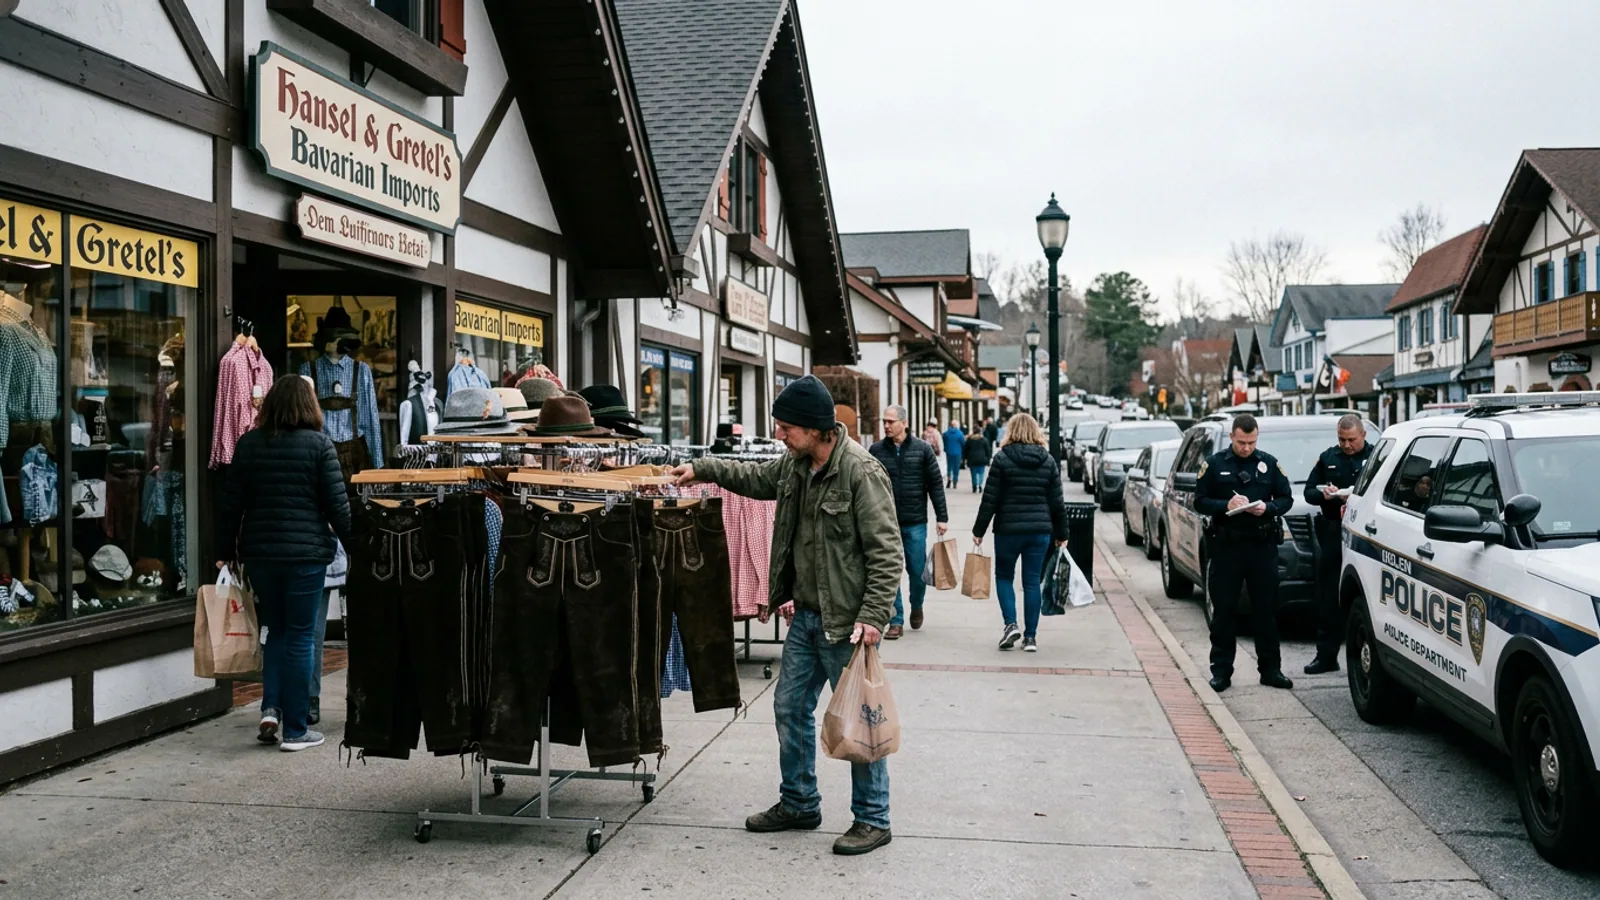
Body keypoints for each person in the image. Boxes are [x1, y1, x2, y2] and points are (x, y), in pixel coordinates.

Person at [670, 375, 901, 856]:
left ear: (817, 428)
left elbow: (886, 552)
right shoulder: (795, 466)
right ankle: (799, 802)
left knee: (860, 720)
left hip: (848, 624)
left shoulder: (861, 471)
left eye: (786, 427)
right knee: (789, 708)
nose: (779, 434)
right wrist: (703, 469)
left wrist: (875, 616)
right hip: (807, 619)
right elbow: (753, 480)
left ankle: (874, 819)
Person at [217, 375, 354, 752]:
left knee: (274, 633)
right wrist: (358, 548)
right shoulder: (319, 445)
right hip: (306, 556)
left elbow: (231, 504)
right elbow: (338, 508)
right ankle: (296, 729)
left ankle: (270, 709)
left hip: (260, 554)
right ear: (309, 405)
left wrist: (223, 550)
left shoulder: (249, 444)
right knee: (300, 637)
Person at [1194, 414, 1295, 693]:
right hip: (1228, 546)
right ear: (1232, 437)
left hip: (1261, 547)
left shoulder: (1269, 463)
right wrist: (1225, 503)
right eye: (1241, 442)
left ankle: (1271, 670)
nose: (1246, 448)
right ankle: (1222, 671)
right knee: (1224, 611)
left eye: (1251, 442)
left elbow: (1286, 498)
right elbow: (1199, 501)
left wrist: (1269, 509)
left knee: (1265, 610)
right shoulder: (1214, 465)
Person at [971, 414, 1067, 652]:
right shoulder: (1048, 461)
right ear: (1036, 432)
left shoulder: (1002, 459)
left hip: (1008, 530)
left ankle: (1010, 624)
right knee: (1032, 581)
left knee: (1004, 577)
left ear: (1010, 431)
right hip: (1039, 531)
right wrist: (1062, 532)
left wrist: (979, 529)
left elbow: (990, 499)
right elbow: (1057, 502)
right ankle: (1031, 638)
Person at [869, 404, 948, 639]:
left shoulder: (923, 450)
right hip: (886, 521)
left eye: (890, 421)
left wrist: (942, 517)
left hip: (915, 521)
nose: (886, 425)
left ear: (904, 423)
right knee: (889, 571)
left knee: (916, 570)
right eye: (884, 421)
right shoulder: (876, 450)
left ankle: (917, 604)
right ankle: (896, 619)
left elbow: (935, 484)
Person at [1302, 415, 1373, 675]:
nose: (1346, 444)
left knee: (1365, 596)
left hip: (1366, 534)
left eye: (1351, 439)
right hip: (1333, 532)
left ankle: (1366, 656)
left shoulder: (1378, 458)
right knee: (1328, 596)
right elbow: (1309, 492)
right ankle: (1326, 656)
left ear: (1363, 434)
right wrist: (1324, 494)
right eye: (1341, 439)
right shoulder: (1328, 458)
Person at [963, 426, 992, 492]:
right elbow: (988, 450)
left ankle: (974, 485)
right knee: (981, 473)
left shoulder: (970, 440)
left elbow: (965, 450)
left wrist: (965, 458)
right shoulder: (984, 440)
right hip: (982, 459)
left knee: (973, 473)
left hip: (972, 459)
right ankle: (980, 484)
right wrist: (988, 458)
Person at [943, 420, 966, 487]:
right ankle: (955, 481)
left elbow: (944, 441)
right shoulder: (960, 433)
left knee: (949, 466)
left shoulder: (946, 433)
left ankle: (949, 478)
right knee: (956, 467)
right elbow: (963, 443)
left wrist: (946, 448)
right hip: (957, 453)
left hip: (949, 452)